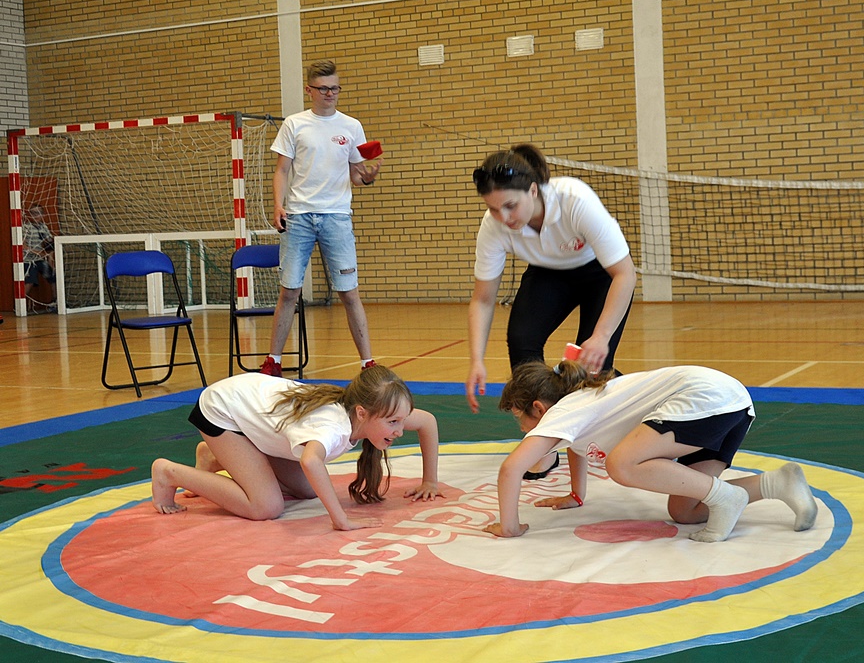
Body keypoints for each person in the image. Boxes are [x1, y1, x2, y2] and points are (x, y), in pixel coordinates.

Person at [483, 361, 818, 542]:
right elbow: (576, 447)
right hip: (731, 404)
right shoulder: (578, 412)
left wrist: (509, 527)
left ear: (539, 408)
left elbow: (512, 468)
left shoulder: (564, 411)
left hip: (704, 399)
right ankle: (777, 484)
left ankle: (727, 498)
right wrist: (576, 494)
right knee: (686, 511)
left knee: (622, 464)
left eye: (518, 417)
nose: (522, 429)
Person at [466, 144, 637, 477]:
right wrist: (476, 359)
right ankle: (540, 441)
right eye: (494, 209)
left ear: (534, 190)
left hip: (601, 274)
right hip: (548, 274)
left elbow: (625, 273)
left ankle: (606, 422)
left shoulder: (575, 199)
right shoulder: (494, 224)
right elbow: (483, 298)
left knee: (591, 366)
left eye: (511, 206)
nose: (504, 218)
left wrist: (601, 336)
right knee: (521, 340)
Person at [151, 364, 444, 531]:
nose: (399, 430)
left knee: (306, 490)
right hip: (222, 411)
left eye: (401, 421)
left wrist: (429, 480)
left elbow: (427, 422)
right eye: (393, 422)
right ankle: (170, 473)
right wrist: (340, 519)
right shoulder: (333, 428)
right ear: (361, 413)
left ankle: (215, 455)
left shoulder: (371, 411)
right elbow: (310, 461)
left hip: (250, 408)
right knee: (266, 507)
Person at [259, 59, 381, 377]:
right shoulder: (295, 124)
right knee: (289, 291)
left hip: (337, 217)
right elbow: (282, 170)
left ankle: (368, 363)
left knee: (349, 292)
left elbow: (356, 175)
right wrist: (278, 205)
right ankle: (274, 361)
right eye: (324, 89)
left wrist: (367, 177)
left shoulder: (351, 126)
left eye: (335, 88)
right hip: (299, 216)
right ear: (309, 90)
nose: (330, 94)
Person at [23, 204, 57, 308]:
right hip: (29, 261)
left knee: (53, 277)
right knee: (30, 282)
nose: (35, 215)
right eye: (33, 213)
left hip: (40, 260)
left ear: (43, 214)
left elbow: (49, 245)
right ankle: (20, 304)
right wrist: (37, 252)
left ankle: (55, 302)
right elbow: (23, 246)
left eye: (38, 213)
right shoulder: (26, 227)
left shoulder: (44, 227)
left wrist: (51, 261)